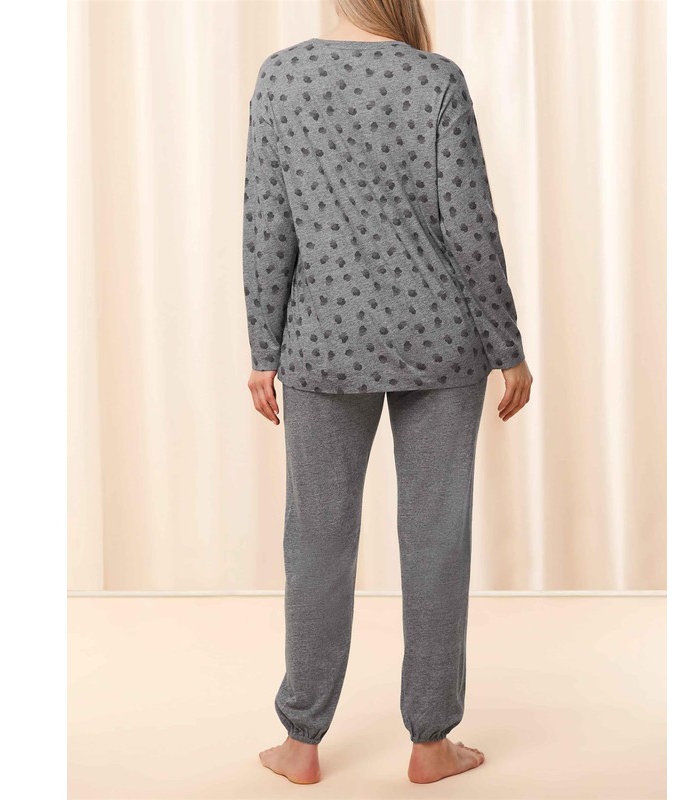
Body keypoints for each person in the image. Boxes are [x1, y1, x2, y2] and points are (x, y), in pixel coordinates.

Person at [242, 0, 533, 785]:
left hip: (321, 345)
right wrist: (508, 348)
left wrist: (263, 349)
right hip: (441, 343)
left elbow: (267, 224)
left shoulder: (282, 78)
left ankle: (300, 743)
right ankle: (432, 745)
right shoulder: (435, 80)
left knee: (316, 541)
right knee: (436, 539)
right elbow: (471, 225)